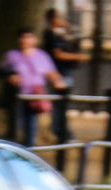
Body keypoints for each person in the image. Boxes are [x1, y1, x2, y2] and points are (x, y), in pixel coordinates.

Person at [0, 27, 66, 147]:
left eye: (28, 37)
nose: (25, 40)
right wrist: (10, 77)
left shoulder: (42, 56)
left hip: (34, 95)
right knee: (15, 125)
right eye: (22, 37)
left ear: (34, 39)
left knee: (31, 125)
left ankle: (28, 150)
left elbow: (50, 72)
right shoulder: (11, 55)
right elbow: (1, 72)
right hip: (17, 95)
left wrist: (57, 81)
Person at [42, 9, 87, 141]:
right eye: (58, 17)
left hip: (64, 73)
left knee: (62, 103)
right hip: (58, 74)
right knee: (60, 103)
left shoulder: (59, 35)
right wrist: (78, 56)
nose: (61, 20)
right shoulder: (50, 35)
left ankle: (60, 128)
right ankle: (59, 130)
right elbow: (58, 54)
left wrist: (67, 29)